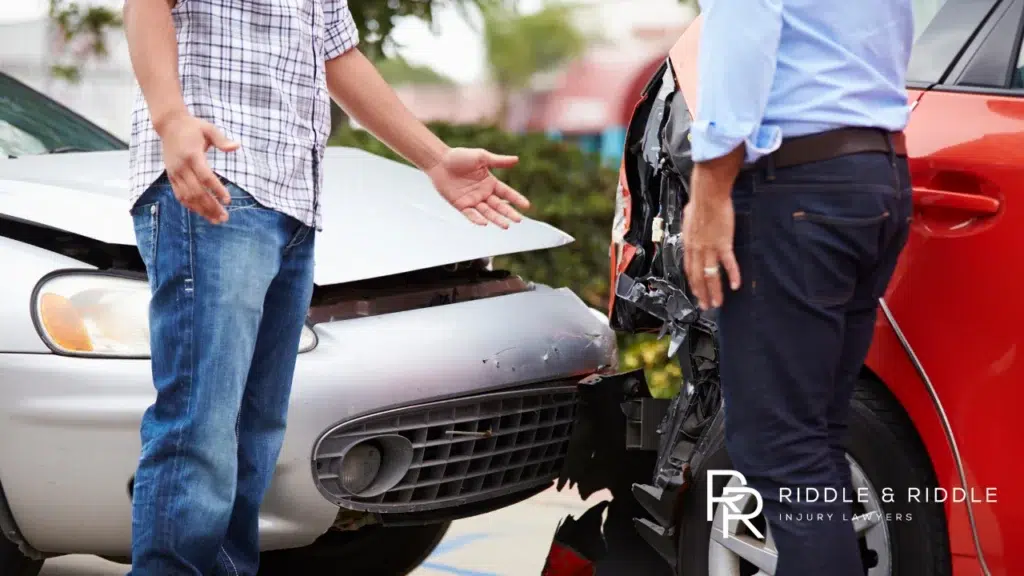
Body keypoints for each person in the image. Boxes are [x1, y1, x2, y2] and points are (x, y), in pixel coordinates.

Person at [121, 0, 530, 573]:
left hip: (291, 202)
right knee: (201, 426)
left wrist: (435, 160)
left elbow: (338, 55)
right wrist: (170, 119)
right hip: (214, 184)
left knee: (254, 436)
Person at [680, 0, 914, 574]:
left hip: (799, 188)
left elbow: (745, 27)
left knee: (780, 448)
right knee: (814, 439)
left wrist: (709, 188)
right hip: (874, 178)